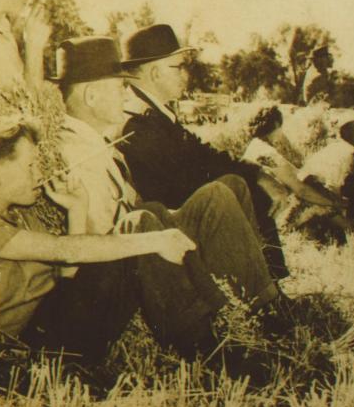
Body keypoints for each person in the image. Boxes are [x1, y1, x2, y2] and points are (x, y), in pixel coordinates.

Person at [52, 36, 288, 354]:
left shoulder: (96, 142)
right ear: (91, 95)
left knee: (216, 195)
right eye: (119, 86)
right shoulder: (73, 150)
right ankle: (208, 338)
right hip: (116, 266)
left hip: (135, 245)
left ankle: (263, 304)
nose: (125, 94)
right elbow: (99, 231)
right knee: (152, 216)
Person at [0, 116, 212, 363]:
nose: (39, 174)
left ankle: (213, 320)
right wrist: (155, 241)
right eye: (30, 166)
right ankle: (203, 347)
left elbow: (67, 275)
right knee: (140, 226)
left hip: (60, 319)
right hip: (35, 346)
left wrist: (77, 209)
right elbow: (66, 251)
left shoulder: (19, 216)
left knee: (149, 213)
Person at [118, 24, 289, 280]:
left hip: (175, 217)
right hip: (166, 229)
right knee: (235, 185)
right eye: (178, 67)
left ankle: (268, 284)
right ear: (154, 73)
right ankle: (264, 290)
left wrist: (258, 172)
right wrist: (247, 180)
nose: (185, 75)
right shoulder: (137, 121)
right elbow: (173, 187)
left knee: (243, 183)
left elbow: (202, 155)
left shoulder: (155, 112)